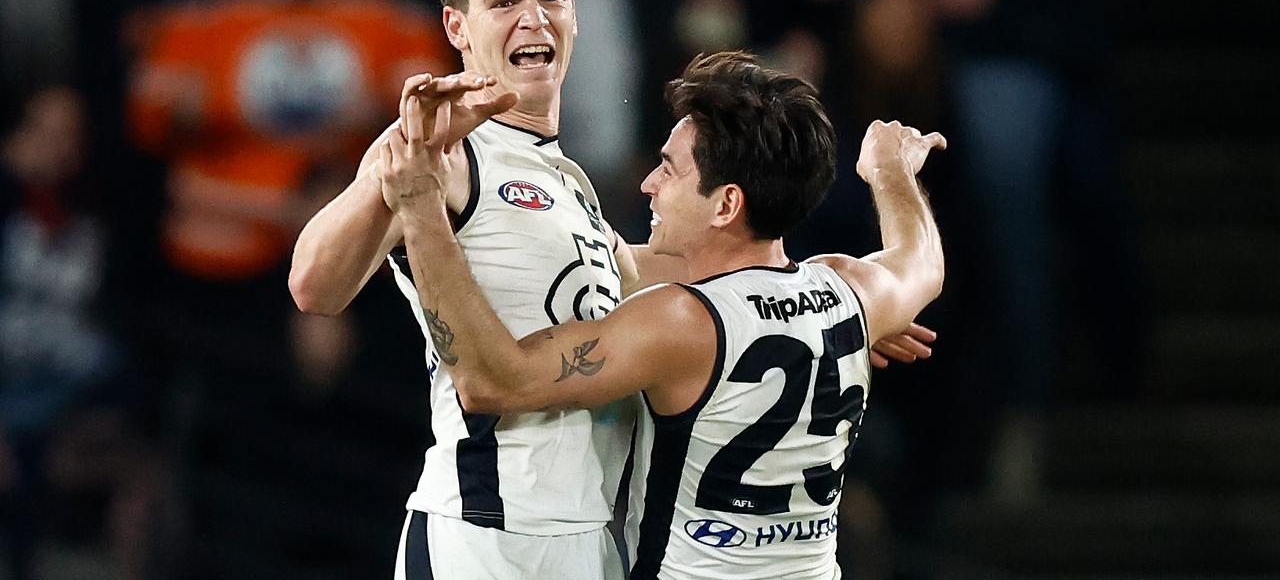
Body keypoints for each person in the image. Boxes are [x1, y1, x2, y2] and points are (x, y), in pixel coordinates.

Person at [290, 0, 937, 579]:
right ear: (458, 26)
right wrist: (390, 177)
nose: (532, 18)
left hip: (595, 536)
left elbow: (656, 275)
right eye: (504, 1)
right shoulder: (441, 148)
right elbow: (314, 285)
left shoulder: (567, 182)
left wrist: (815, 315)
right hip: (488, 533)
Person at [377, 51, 946, 579]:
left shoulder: (680, 322)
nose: (648, 185)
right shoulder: (853, 291)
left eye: (670, 170)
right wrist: (890, 170)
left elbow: (490, 381)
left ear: (726, 204)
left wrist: (421, 205)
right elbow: (922, 263)